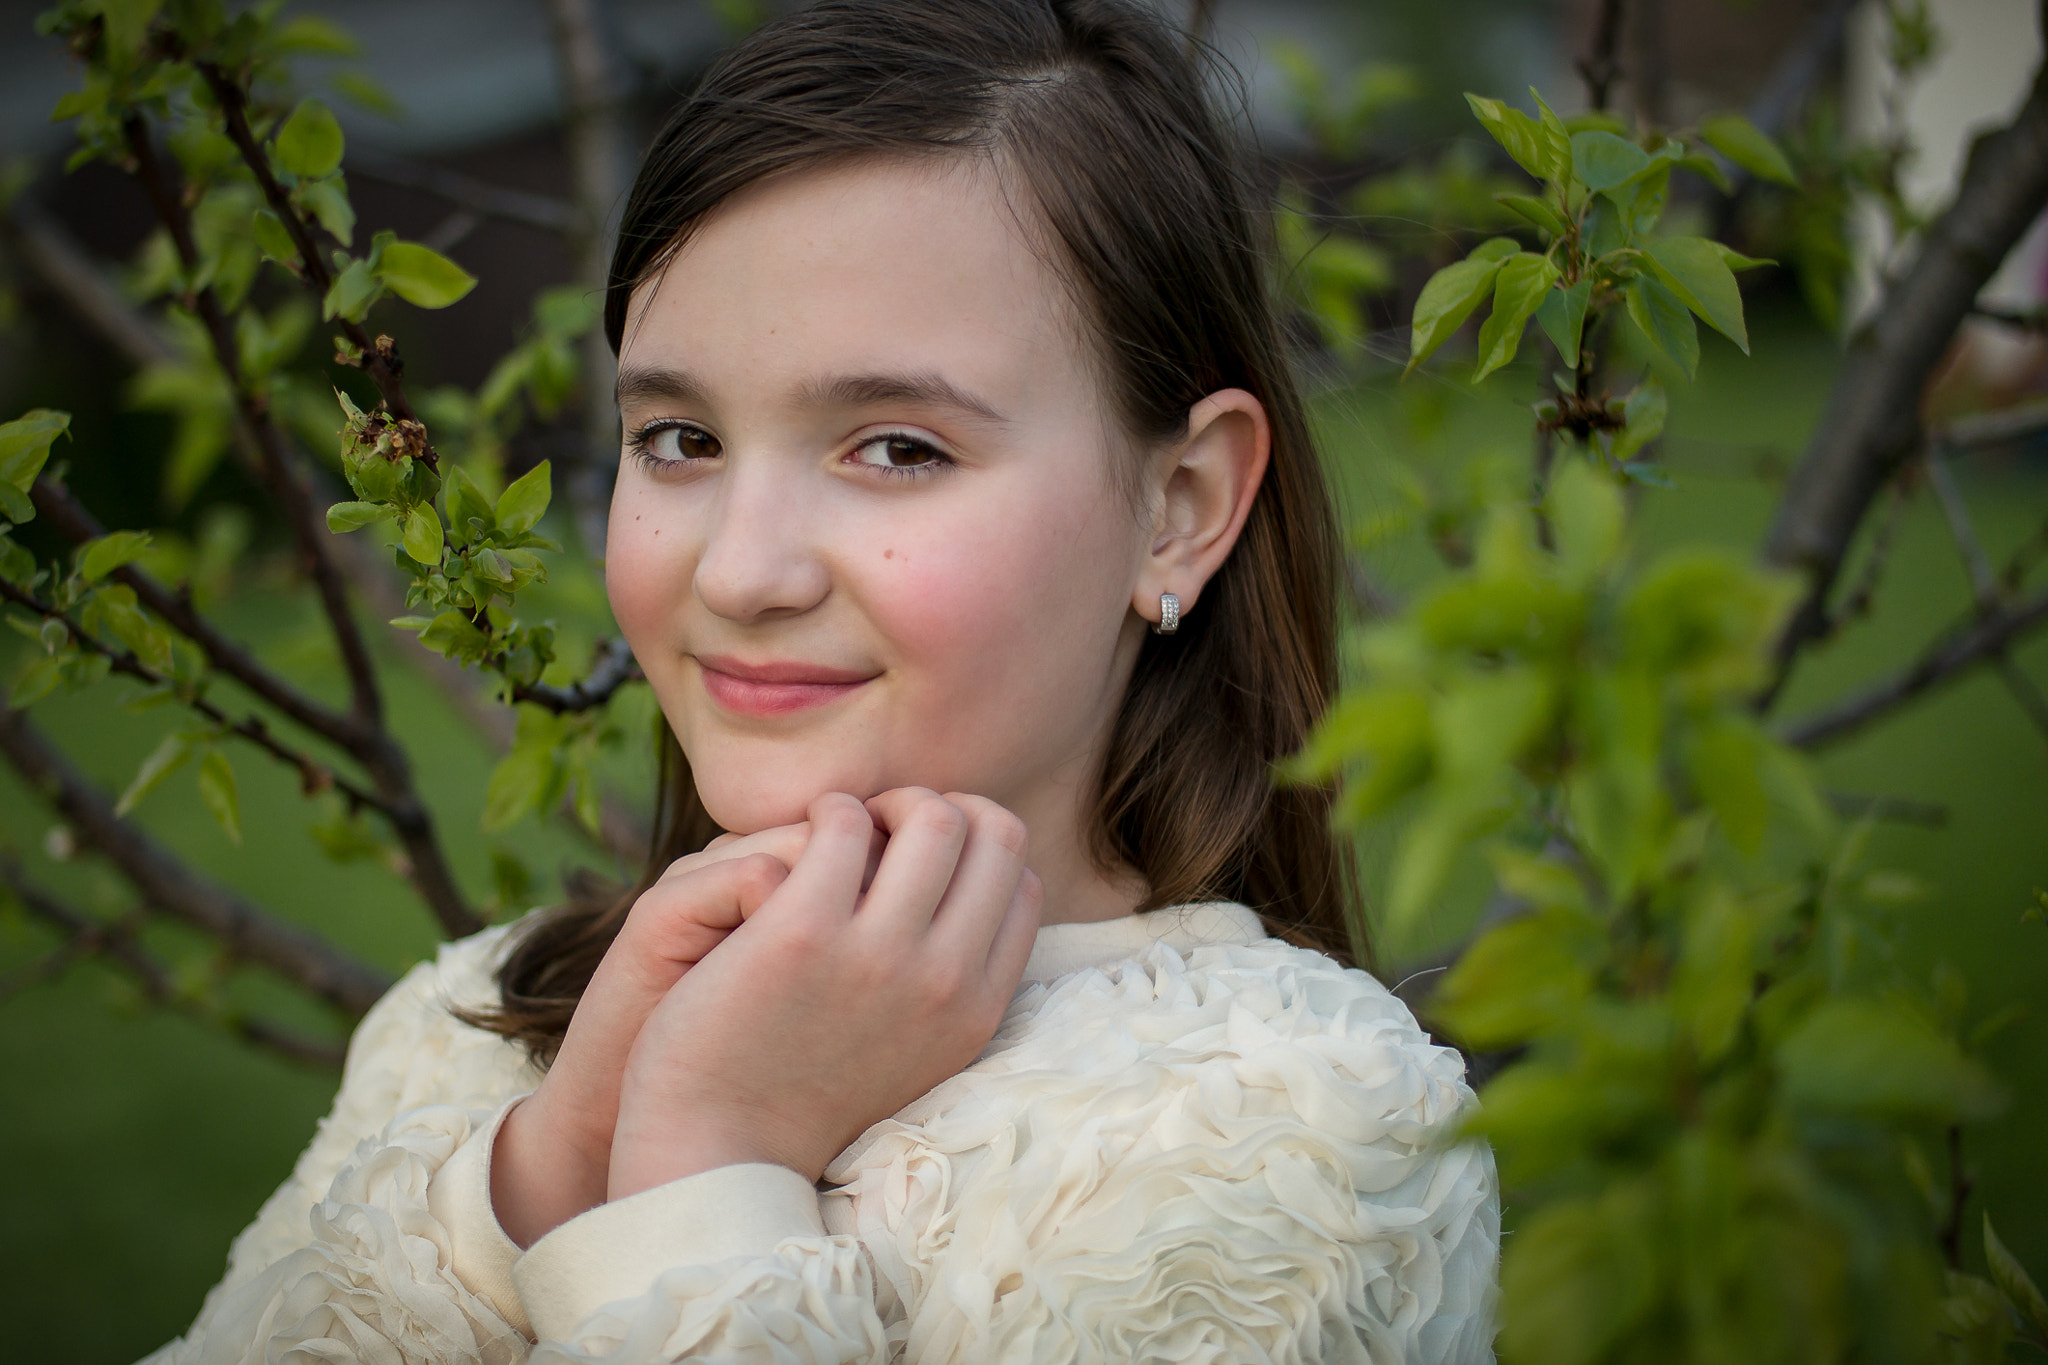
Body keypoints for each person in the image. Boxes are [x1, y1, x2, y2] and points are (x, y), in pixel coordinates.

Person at [143, 0, 1498, 1360]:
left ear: (1181, 506)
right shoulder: (463, 1031)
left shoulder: (1298, 1140)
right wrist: (547, 1173)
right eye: (679, 438)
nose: (741, 571)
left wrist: (706, 1156)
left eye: (898, 447)